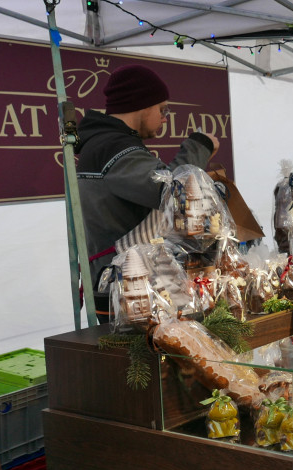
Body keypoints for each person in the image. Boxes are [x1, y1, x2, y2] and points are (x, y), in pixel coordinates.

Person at [75, 64, 218, 319]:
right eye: (162, 109)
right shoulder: (113, 148)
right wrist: (200, 146)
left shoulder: (107, 144)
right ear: (142, 106)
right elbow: (173, 193)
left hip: (125, 281)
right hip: (128, 287)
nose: (165, 117)